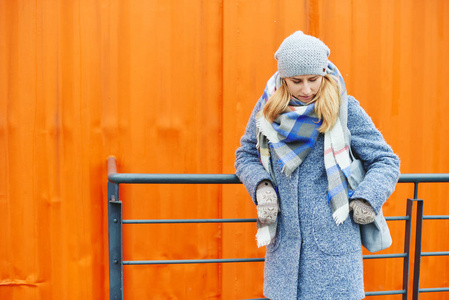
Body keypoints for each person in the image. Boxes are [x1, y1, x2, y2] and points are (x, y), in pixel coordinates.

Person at [234, 31, 400, 299]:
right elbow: (245, 154)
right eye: (296, 81)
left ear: (324, 73)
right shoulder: (267, 109)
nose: (307, 89)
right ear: (283, 78)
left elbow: (386, 160)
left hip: (335, 257)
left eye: (314, 79)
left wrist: (366, 199)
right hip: (284, 260)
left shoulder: (344, 108)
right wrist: (262, 186)